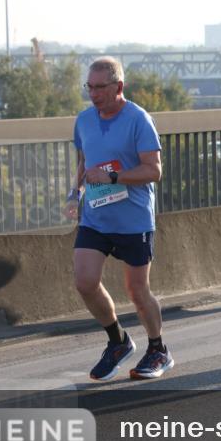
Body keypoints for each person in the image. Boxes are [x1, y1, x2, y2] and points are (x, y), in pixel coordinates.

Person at [65, 57, 173, 380]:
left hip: (133, 219)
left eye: (100, 88)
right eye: (90, 87)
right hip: (96, 217)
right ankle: (118, 341)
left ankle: (158, 349)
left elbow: (153, 170)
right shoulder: (84, 121)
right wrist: (75, 194)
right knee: (84, 281)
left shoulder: (138, 119)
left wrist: (114, 178)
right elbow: (85, 162)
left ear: (118, 87)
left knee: (137, 290)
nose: (93, 94)